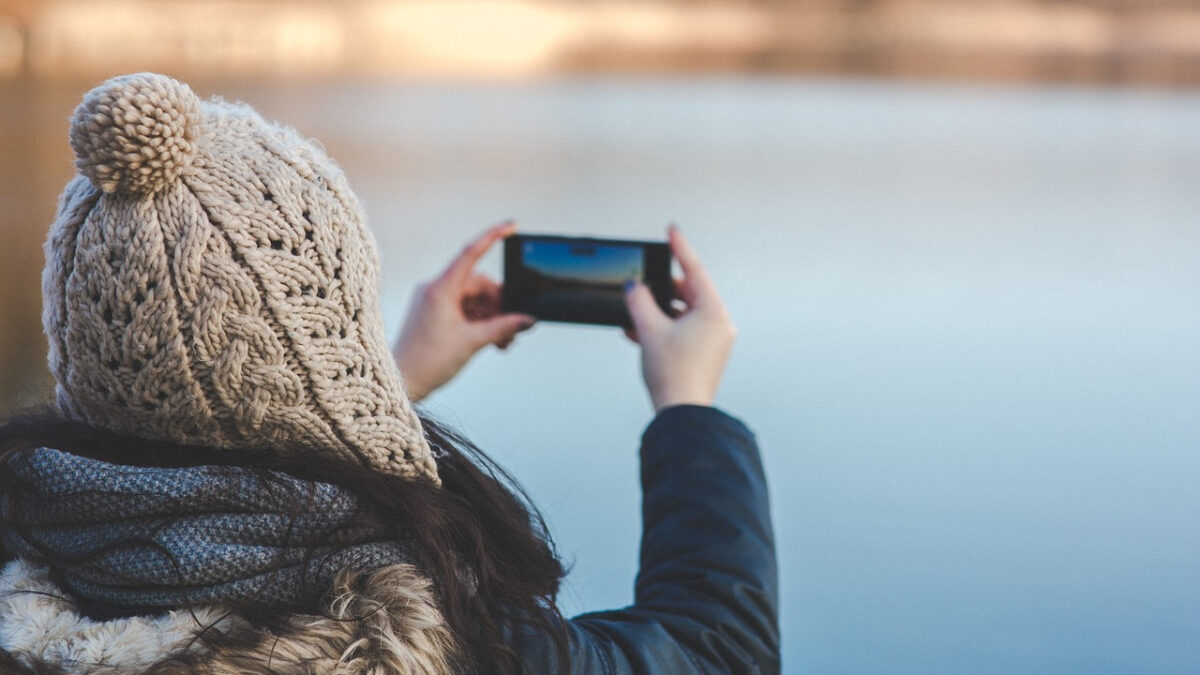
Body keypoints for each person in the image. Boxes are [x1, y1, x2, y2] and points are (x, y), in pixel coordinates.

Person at [0, 73, 778, 674]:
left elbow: (209, 461)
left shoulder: (23, 577)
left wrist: (397, 378)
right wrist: (689, 409)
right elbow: (714, 647)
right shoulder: (443, 638)